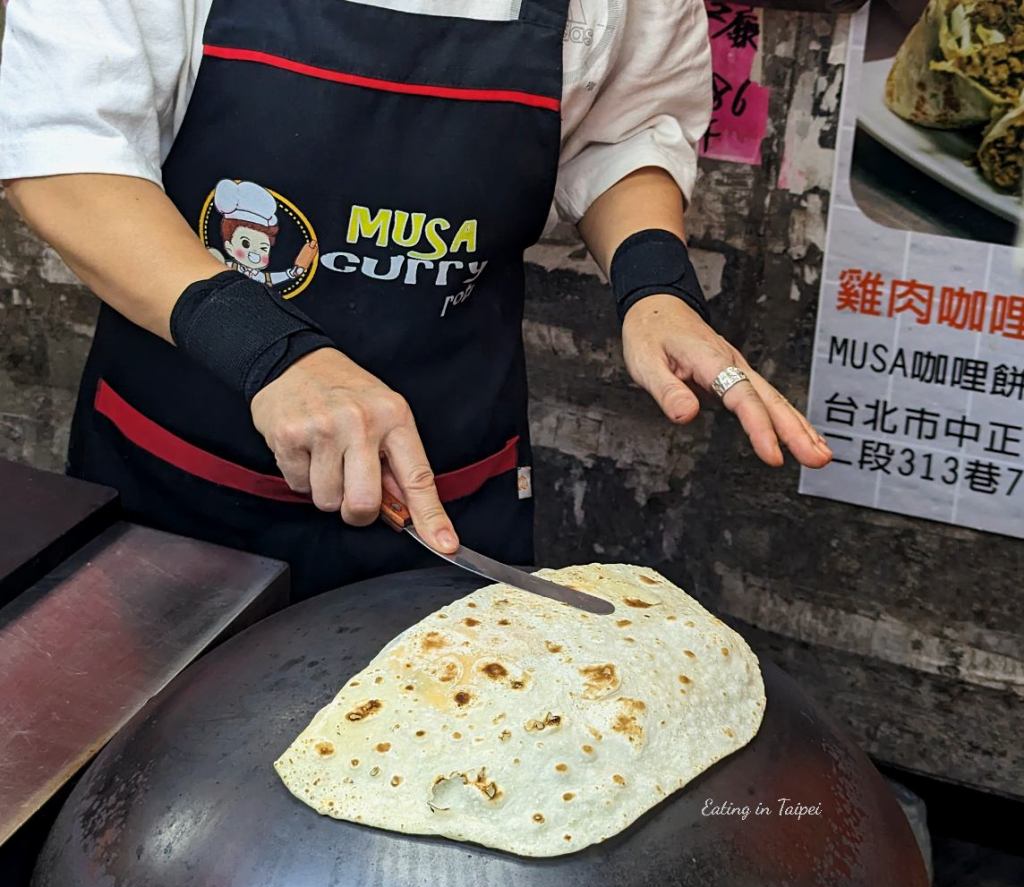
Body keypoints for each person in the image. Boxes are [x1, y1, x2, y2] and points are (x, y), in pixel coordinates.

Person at [0, 0, 831, 599]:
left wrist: (655, 285)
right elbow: (66, 147)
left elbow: (625, 130)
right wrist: (270, 349)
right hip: (175, 484)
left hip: (441, 499)